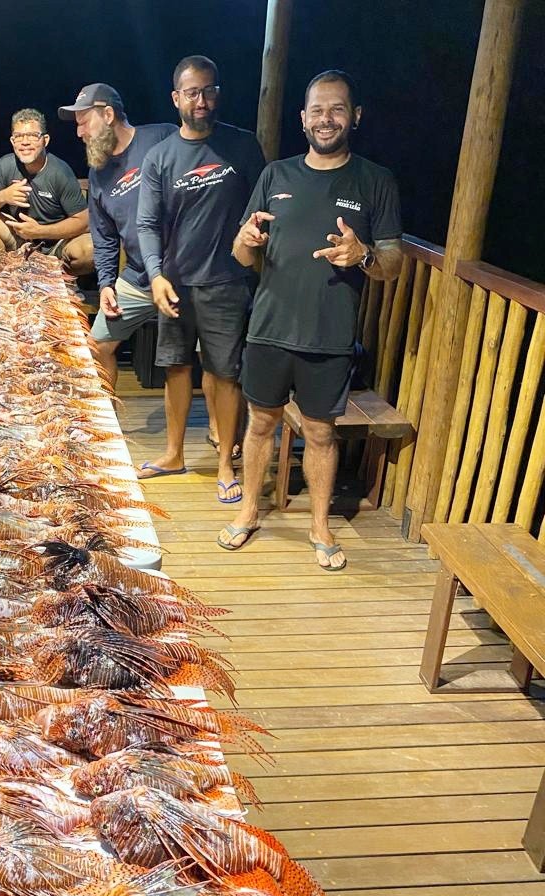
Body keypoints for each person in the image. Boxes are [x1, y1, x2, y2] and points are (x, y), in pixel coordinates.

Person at [224, 69, 402, 570]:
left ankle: (319, 527)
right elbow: (241, 253)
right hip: (269, 326)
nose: (327, 119)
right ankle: (249, 512)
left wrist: (363, 253)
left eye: (337, 109)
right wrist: (248, 241)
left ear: (355, 116)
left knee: (321, 433)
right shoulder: (275, 175)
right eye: (318, 110)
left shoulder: (374, 180)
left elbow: (392, 265)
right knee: (260, 422)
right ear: (303, 119)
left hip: (329, 333)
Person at [137, 55, 264, 503]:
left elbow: (263, 209)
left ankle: (226, 464)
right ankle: (173, 453)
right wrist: (155, 277)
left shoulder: (244, 147)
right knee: (174, 366)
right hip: (175, 280)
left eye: (209, 90)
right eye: (192, 92)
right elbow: (147, 224)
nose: (202, 100)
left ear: (218, 93)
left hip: (227, 281)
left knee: (224, 372)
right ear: (177, 99)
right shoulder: (160, 157)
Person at [58, 83, 175, 388]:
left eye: (84, 122)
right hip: (138, 276)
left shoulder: (162, 137)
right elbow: (104, 235)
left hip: (184, 271)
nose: (79, 132)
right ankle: (106, 422)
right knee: (96, 346)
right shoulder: (99, 172)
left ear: (108, 114)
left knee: (194, 361)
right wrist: (107, 283)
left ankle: (219, 429)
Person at [0, 109, 93, 275]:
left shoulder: (60, 172)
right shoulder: (6, 164)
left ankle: (60, 282)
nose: (25, 142)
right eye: (19, 136)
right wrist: (3, 196)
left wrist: (40, 231)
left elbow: (84, 220)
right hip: (19, 244)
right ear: (12, 141)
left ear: (45, 140)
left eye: (32, 135)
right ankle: (5, 275)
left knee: (89, 248)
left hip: (56, 246)